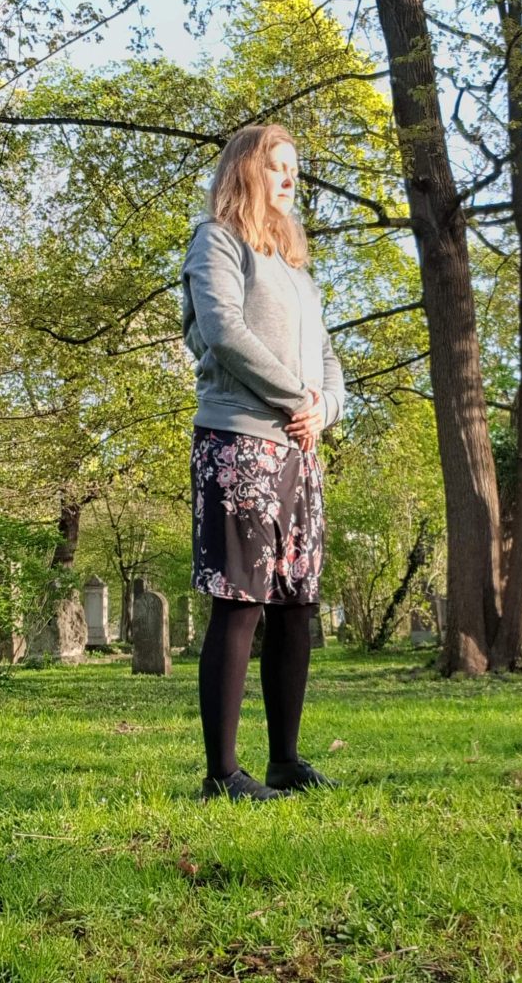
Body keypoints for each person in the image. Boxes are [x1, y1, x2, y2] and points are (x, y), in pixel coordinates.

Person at [181, 124, 345, 802]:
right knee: (241, 601)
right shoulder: (215, 240)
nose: (288, 180)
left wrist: (323, 410)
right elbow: (222, 332)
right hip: (239, 440)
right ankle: (222, 773)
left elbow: (330, 360)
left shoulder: (295, 269)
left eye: (293, 170)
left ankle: (284, 761)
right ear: (247, 170)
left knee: (295, 606)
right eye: (276, 166)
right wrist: (292, 397)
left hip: (300, 450)